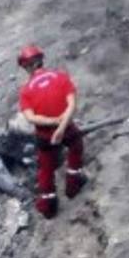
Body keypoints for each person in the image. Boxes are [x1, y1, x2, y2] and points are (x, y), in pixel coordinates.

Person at [16, 45, 87, 218]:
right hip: (67, 128)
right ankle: (73, 185)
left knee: (46, 167)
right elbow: (71, 104)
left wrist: (53, 124)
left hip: (45, 135)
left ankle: (48, 206)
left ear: (26, 67)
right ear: (41, 60)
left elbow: (31, 118)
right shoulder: (61, 77)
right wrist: (62, 126)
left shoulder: (26, 90)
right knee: (76, 147)